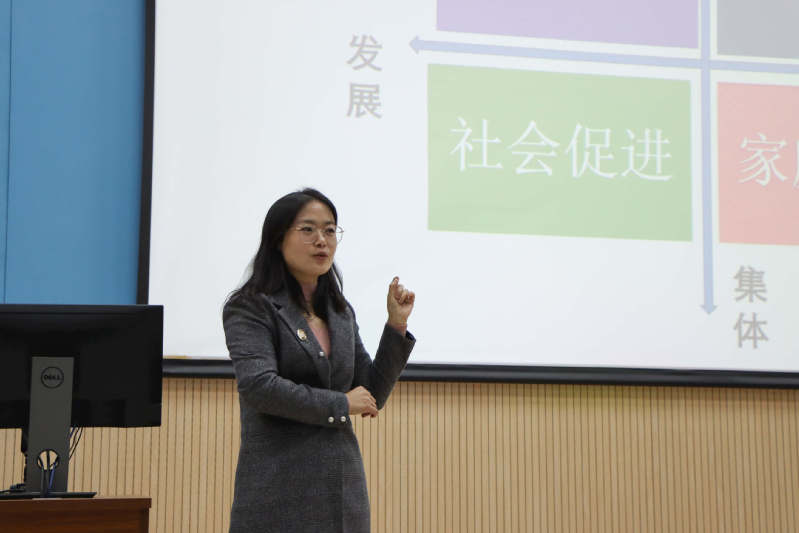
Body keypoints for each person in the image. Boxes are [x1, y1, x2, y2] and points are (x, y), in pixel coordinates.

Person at [223, 188, 415, 533]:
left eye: (329, 230)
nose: (322, 240)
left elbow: (370, 393)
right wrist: (340, 403)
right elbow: (259, 387)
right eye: (308, 229)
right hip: (279, 488)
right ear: (278, 239)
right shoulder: (251, 306)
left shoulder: (339, 312)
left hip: (342, 489)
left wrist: (396, 326)